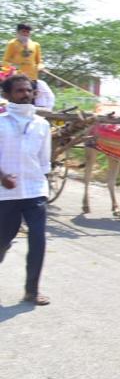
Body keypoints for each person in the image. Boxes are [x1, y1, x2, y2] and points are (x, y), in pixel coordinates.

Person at [0, 74, 52, 305]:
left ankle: (32, 290)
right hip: (5, 194)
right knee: (2, 239)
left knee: (38, 239)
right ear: (7, 95)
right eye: (19, 91)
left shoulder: (42, 125)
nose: (25, 94)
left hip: (34, 192)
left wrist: (43, 186)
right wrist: (2, 177)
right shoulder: (0, 123)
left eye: (29, 90)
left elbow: (44, 162)